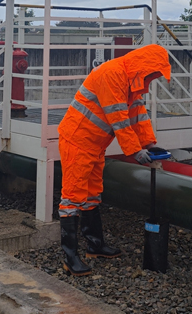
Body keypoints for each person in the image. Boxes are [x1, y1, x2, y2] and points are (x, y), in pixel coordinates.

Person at [56, 44, 171, 276]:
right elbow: (118, 118)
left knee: (92, 193)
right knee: (72, 197)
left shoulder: (131, 82)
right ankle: (70, 258)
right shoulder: (112, 74)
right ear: (142, 68)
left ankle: (95, 245)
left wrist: (149, 144)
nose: (149, 84)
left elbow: (138, 115)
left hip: (95, 144)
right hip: (77, 141)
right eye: (151, 76)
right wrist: (135, 151)